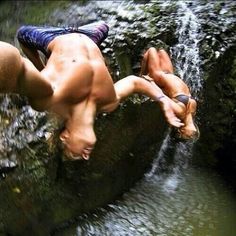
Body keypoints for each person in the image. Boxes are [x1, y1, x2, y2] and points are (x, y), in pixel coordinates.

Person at [0, 21, 183, 161]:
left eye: (75, 154)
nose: (86, 156)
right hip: (91, 35)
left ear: (65, 136)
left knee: (22, 34)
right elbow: (135, 82)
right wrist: (163, 100)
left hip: (53, 37)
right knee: (105, 25)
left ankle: (42, 66)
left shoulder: (50, 98)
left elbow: (14, 65)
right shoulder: (109, 103)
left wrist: (41, 72)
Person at [140, 47, 199, 140]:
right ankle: (140, 75)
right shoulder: (180, 112)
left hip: (169, 75)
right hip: (159, 77)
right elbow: (161, 97)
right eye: (181, 133)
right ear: (182, 130)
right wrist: (150, 82)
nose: (179, 131)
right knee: (152, 50)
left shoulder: (193, 109)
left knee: (160, 51)